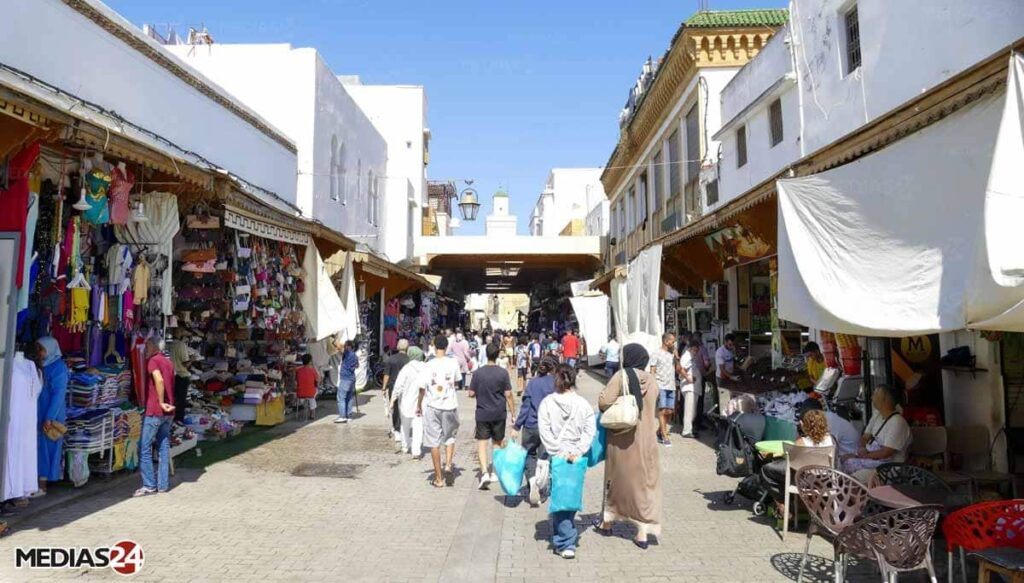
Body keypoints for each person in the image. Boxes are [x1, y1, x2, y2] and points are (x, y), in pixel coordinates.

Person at [595, 344, 662, 550]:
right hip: (647, 440)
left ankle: (608, 520)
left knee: (616, 479)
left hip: (622, 438)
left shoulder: (621, 376)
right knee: (645, 484)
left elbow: (604, 402)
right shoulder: (651, 380)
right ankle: (642, 531)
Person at [538, 364, 596, 560]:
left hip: (557, 457)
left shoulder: (547, 403)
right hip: (576, 458)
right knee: (571, 495)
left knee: (560, 497)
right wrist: (578, 451)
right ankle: (565, 537)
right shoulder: (583, 404)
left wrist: (558, 451)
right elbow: (589, 431)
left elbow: (545, 431)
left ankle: (565, 541)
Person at [761, 409, 834, 507]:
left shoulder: (801, 442)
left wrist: (775, 454)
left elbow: (790, 460)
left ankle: (783, 503)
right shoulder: (831, 440)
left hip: (806, 482)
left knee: (766, 470)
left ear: (803, 425)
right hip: (826, 481)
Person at [841, 385, 913, 481]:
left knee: (853, 477)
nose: (871, 397)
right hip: (871, 459)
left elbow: (886, 453)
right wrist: (862, 449)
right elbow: (865, 437)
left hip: (888, 470)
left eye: (875, 394)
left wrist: (864, 456)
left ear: (884, 399)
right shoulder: (878, 415)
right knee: (842, 460)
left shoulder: (897, 422)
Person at [417, 335, 463, 488]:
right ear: (446, 346)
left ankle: (438, 478)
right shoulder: (453, 362)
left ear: (434, 346)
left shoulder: (428, 365)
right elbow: (457, 381)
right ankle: (448, 465)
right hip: (450, 405)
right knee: (450, 437)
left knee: (433, 441)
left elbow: (422, 388)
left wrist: (418, 405)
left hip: (433, 406)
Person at [513, 355, 558, 506]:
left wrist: (517, 426)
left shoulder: (532, 383)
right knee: (544, 459)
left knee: (529, 454)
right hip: (549, 427)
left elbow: (526, 406)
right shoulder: (557, 384)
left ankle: (532, 481)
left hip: (530, 425)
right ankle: (542, 489)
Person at [469, 344, 515, 490]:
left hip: (482, 413)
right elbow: (508, 394)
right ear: (497, 355)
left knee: (482, 443)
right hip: (499, 412)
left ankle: (484, 472)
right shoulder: (503, 373)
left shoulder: (478, 373)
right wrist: (513, 413)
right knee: (497, 443)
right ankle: (494, 471)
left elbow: (471, 393)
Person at [134, 338, 176, 497]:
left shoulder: (153, 361)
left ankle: (149, 485)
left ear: (153, 346)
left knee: (144, 447)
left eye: (147, 346)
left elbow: (159, 379)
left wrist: (160, 402)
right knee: (163, 447)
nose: (145, 349)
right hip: (168, 412)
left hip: (155, 411)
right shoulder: (168, 362)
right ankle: (163, 485)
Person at [35, 337, 68, 497]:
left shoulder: (58, 367)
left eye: (41, 349)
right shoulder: (43, 365)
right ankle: (38, 483)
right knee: (41, 447)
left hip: (52, 414)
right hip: (41, 411)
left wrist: (49, 417)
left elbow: (58, 395)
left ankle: (42, 486)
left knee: (47, 448)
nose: (39, 352)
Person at [391, 346, 428, 458]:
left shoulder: (406, 368)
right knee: (418, 426)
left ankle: (405, 446)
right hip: (421, 402)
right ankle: (416, 451)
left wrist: (393, 399)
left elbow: (398, 386)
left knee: (405, 425)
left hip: (406, 402)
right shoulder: (426, 368)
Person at [650, 333, 677, 447]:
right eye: (672, 341)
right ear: (666, 341)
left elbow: (677, 368)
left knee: (670, 411)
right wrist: (654, 384)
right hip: (661, 385)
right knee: (662, 410)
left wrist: (677, 357)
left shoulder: (672, 354)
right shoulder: (656, 353)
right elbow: (652, 370)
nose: (674, 343)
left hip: (671, 385)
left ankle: (659, 431)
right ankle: (664, 436)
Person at [383, 339, 410, 436]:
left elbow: (387, 374)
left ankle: (396, 427)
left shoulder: (391, 359)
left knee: (394, 407)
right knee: (405, 406)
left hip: (393, 386)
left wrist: (384, 387)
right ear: (407, 347)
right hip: (406, 386)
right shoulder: (409, 360)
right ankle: (404, 426)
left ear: (398, 347)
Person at [678, 338, 700, 438]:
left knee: (692, 411)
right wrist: (688, 377)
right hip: (689, 386)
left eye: (697, 350)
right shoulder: (686, 356)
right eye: (694, 350)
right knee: (689, 410)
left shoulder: (691, 356)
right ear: (690, 348)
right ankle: (686, 431)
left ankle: (689, 428)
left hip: (693, 387)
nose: (696, 352)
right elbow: (681, 369)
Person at [335, 341, 359, 423]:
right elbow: (357, 365)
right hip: (352, 378)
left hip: (345, 379)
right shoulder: (355, 355)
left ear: (349, 346)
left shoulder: (348, 353)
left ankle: (342, 416)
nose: (344, 347)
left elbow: (339, 348)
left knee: (341, 397)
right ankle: (349, 416)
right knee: (349, 398)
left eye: (346, 346)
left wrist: (334, 340)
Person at [170, 340, 191, 424]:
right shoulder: (181, 345)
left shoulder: (170, 344)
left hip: (173, 375)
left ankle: (172, 419)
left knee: (174, 399)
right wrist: (192, 359)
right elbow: (185, 364)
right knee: (181, 401)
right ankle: (178, 420)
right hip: (182, 375)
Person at [295, 354, 321, 419]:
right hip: (310, 393)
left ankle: (304, 403)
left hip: (300, 393)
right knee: (313, 395)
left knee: (309, 394)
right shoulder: (312, 370)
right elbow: (318, 380)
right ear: (310, 361)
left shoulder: (298, 370)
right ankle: (312, 414)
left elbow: (296, 380)